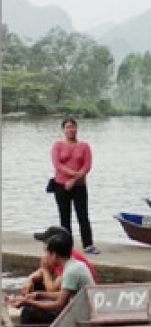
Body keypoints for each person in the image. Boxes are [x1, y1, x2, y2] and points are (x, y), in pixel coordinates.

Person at [8, 232, 94, 325]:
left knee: (28, 312)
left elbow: (58, 305)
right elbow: (62, 295)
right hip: (85, 309)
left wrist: (28, 302)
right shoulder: (75, 265)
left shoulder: (71, 272)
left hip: (83, 315)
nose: (45, 256)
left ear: (54, 255)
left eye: (47, 253)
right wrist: (38, 294)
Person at [50, 117, 98, 254]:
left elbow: (87, 166)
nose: (70, 130)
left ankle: (88, 245)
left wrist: (73, 180)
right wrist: (71, 177)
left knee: (83, 215)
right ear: (63, 130)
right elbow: (57, 165)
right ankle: (66, 247)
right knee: (65, 216)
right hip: (61, 186)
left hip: (79, 186)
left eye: (73, 127)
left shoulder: (84, 146)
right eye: (67, 127)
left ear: (77, 128)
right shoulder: (57, 146)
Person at [21, 226, 98, 296]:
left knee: (38, 289)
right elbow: (42, 271)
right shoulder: (63, 255)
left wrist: (45, 270)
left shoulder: (67, 261)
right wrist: (29, 279)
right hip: (81, 295)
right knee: (37, 282)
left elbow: (52, 290)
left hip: (85, 299)